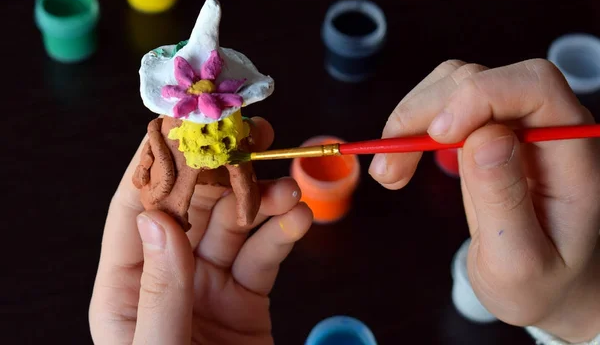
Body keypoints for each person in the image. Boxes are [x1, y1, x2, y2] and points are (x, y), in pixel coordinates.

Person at [89, 59, 600, 344]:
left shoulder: (233, 150)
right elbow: (175, 164)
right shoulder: (179, 141)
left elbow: (242, 195)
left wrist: (576, 311)